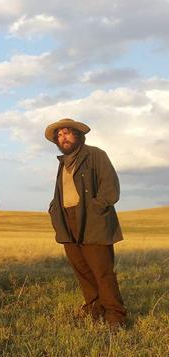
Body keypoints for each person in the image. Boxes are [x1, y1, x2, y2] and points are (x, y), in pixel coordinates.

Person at [45, 118, 127, 328]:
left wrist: (95, 208)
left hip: (93, 221)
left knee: (102, 271)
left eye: (67, 132)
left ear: (78, 135)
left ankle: (115, 317)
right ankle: (94, 310)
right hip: (67, 221)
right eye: (59, 135)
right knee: (82, 270)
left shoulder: (95, 154)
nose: (63, 137)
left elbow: (110, 187)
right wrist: (55, 209)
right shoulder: (62, 163)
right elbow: (62, 193)